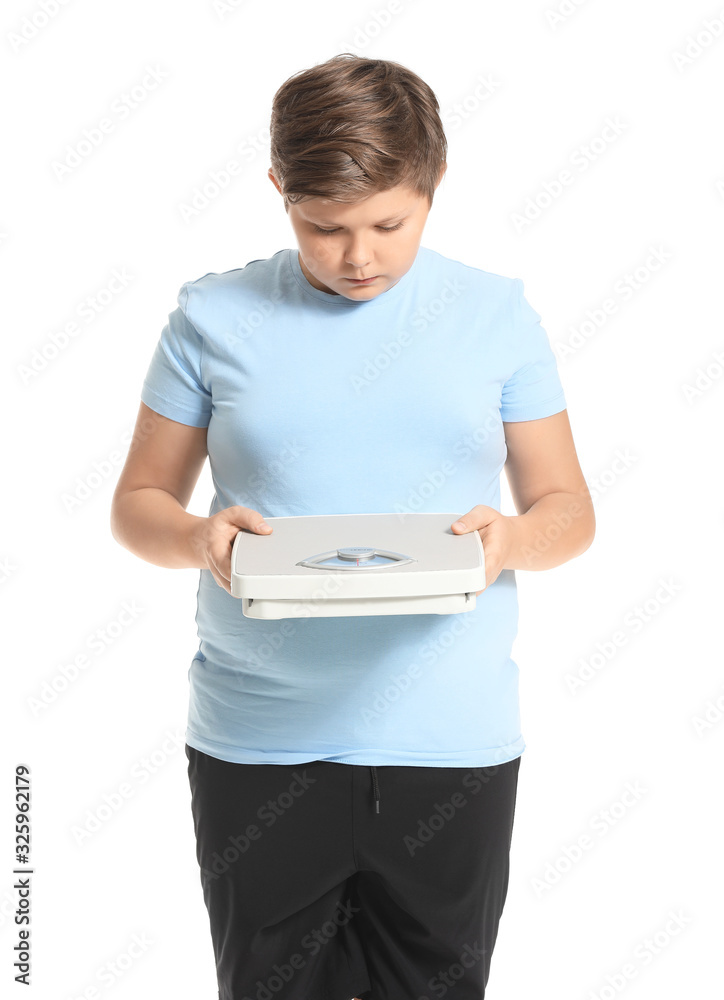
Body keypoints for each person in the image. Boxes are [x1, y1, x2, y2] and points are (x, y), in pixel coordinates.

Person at [110, 53, 595, 1000]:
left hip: (449, 743)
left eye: (389, 223)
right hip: (261, 743)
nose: (358, 256)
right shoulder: (212, 316)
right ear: (279, 190)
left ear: (434, 185)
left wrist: (507, 541)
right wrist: (200, 540)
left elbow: (569, 511)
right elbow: (139, 504)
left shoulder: (496, 314)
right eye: (322, 227)